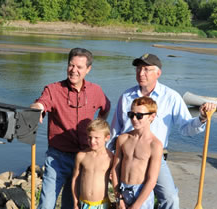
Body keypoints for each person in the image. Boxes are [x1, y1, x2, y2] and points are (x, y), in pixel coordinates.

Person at [109, 53, 217, 209]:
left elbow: (186, 128)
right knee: (123, 199)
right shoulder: (126, 96)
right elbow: (115, 130)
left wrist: (201, 118)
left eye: (146, 69)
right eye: (139, 69)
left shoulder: (171, 97)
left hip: (155, 158)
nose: (141, 73)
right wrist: (108, 157)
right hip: (127, 156)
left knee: (171, 199)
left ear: (158, 73)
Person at [31, 47, 111, 209]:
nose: (74, 70)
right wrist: (36, 109)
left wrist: (98, 130)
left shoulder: (96, 91)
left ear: (88, 69)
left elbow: (106, 107)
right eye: (71, 65)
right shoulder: (53, 89)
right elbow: (41, 103)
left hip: (83, 158)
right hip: (57, 158)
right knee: (46, 204)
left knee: (70, 205)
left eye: (79, 67)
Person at [111, 97, 163, 209]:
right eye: (131, 115)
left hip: (142, 194)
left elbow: (152, 179)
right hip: (123, 191)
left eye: (139, 116)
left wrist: (136, 206)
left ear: (152, 116)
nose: (134, 119)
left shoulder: (155, 145)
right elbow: (116, 168)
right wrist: (117, 196)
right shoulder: (123, 139)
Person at [71, 119, 113, 209]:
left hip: (101, 204)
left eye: (96, 138)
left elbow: (116, 181)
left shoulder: (110, 158)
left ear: (107, 137)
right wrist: (75, 202)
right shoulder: (81, 156)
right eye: (89, 137)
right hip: (83, 203)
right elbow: (75, 179)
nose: (92, 141)